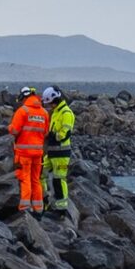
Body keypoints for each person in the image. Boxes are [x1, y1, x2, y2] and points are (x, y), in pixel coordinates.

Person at [8, 85, 49, 215]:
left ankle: (25, 208)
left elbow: (14, 130)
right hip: (38, 153)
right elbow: (46, 132)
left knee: (25, 179)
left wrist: (9, 127)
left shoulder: (22, 111)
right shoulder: (44, 113)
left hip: (24, 153)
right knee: (36, 180)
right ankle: (38, 209)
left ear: (23, 97)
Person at [41, 85, 75, 214]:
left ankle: (61, 209)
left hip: (61, 153)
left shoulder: (66, 113)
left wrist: (50, 136)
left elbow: (64, 134)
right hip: (52, 152)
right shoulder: (56, 112)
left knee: (58, 180)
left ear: (56, 100)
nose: (49, 106)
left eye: (50, 103)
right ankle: (44, 200)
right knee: (40, 174)